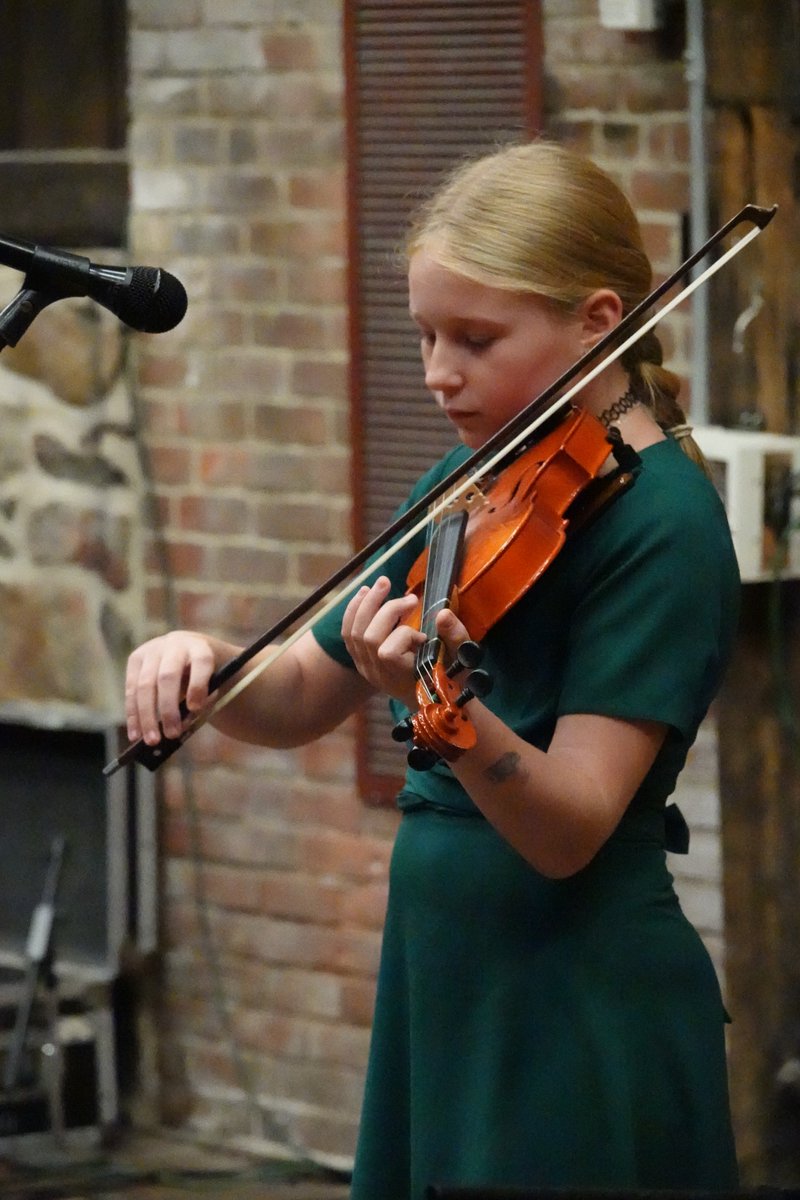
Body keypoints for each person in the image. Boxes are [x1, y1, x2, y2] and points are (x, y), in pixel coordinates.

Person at [125, 141, 740, 1197]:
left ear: (600, 322)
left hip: (572, 995)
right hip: (448, 980)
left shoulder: (665, 523)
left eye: (474, 338)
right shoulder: (469, 481)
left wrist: (441, 709)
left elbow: (569, 830)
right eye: (422, 334)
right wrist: (208, 661)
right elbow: (300, 695)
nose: (435, 371)